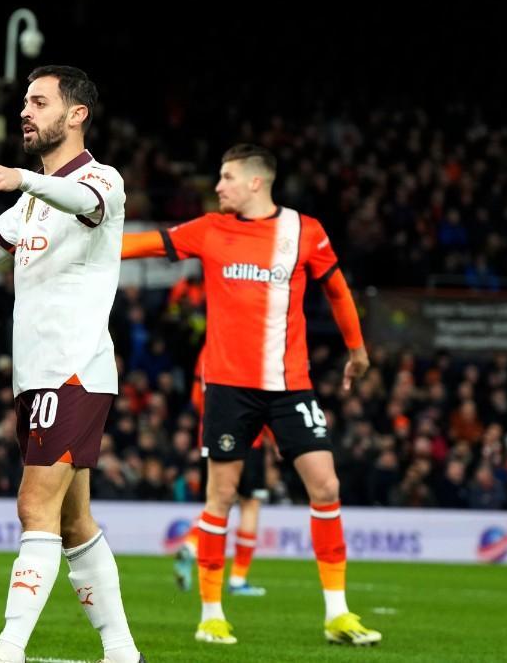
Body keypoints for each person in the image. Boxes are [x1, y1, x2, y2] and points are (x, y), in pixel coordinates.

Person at [119, 143, 381, 646]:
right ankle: (211, 614)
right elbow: (144, 245)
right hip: (227, 387)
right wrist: (71, 240)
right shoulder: (210, 229)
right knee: (221, 497)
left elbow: (338, 290)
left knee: (325, 486)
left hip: (290, 386)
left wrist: (357, 349)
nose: (218, 186)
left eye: (227, 177)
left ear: (256, 182)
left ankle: (338, 614)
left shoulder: (305, 231)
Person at [0, 65, 144, 663]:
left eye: (39, 102)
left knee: (34, 506)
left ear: (76, 115)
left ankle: (10, 648)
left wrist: (23, 176)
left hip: (72, 370)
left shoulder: (102, 180)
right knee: (74, 521)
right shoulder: (31, 202)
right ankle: (122, 651)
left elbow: (83, 201)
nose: (26, 111)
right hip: (37, 375)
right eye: (24, 101)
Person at [171, 351, 268, 597]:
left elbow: (195, 399)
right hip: (249, 438)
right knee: (250, 505)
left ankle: (191, 545)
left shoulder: (206, 351)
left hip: (211, 434)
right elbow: (262, 396)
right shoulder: (246, 344)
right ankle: (237, 580)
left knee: (216, 502)